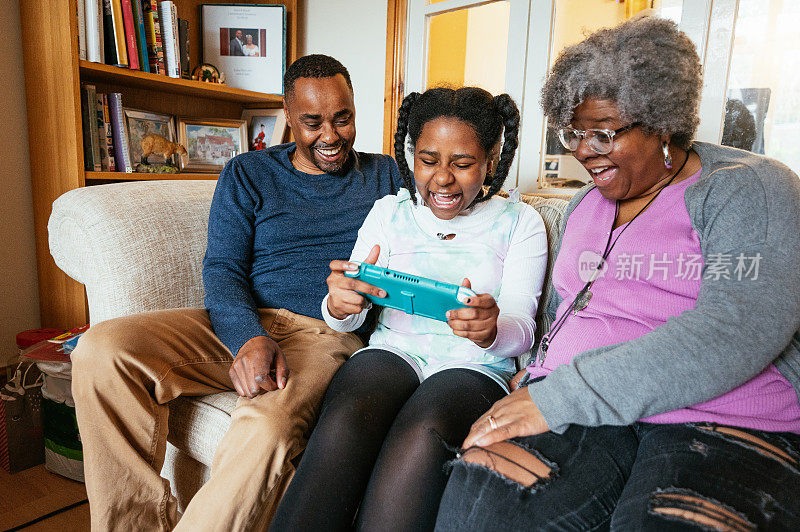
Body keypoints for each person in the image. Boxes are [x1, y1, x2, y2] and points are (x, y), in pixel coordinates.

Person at [435, 16, 800, 531]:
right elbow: (572, 306)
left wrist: (556, 396)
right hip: (585, 412)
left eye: (603, 133)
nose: (584, 151)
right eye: (574, 132)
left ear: (662, 121)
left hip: (722, 414)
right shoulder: (587, 204)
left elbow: (736, 328)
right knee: (481, 500)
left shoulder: (749, 189)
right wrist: (540, 365)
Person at [70, 54, 401, 531]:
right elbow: (223, 267)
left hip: (324, 333)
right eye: (312, 122)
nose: (330, 136)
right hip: (242, 319)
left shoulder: (384, 175)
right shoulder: (248, 172)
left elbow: (446, 194)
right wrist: (248, 336)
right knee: (100, 349)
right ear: (288, 116)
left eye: (342, 118)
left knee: (267, 428)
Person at [271, 87, 548, 531]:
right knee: (346, 415)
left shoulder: (520, 223)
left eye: (462, 164)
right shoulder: (389, 212)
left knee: (423, 430)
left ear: (490, 163)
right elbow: (350, 307)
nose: (442, 178)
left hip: (474, 366)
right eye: (428, 160)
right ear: (411, 157)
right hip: (393, 351)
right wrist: (340, 304)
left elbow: (523, 330)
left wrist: (491, 328)